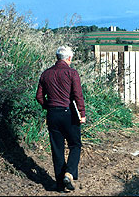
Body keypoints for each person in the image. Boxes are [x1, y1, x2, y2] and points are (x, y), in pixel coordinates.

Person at [36, 46, 86, 192]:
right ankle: (69, 174)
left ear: (57, 57)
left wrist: (48, 106)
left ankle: (59, 184)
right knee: (75, 145)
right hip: (68, 113)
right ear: (69, 58)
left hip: (52, 114)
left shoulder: (45, 74)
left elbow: (39, 96)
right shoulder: (72, 73)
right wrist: (82, 114)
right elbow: (78, 95)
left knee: (57, 148)